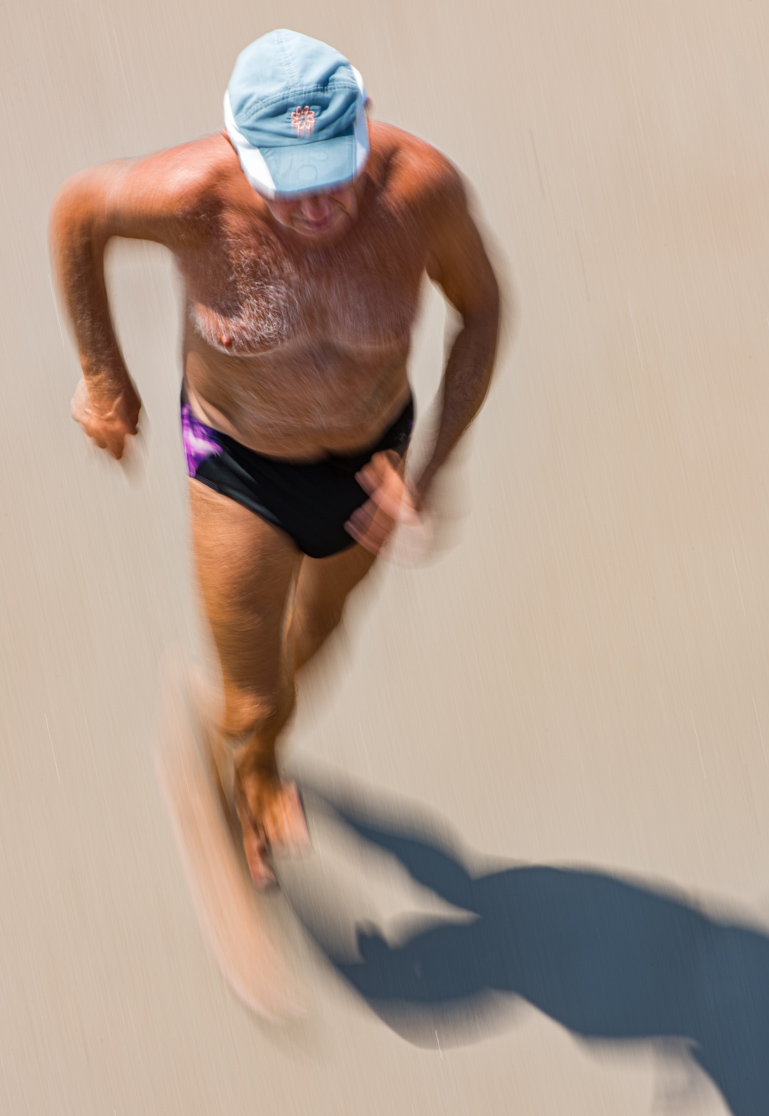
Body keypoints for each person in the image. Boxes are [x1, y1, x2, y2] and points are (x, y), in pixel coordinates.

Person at [50, 29, 500, 890]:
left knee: (322, 633)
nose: (317, 210)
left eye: (334, 172)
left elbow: (483, 312)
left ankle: (250, 729)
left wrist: (429, 466)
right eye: (290, 187)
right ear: (239, 150)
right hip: (239, 465)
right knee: (255, 694)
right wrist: (102, 375)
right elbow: (79, 212)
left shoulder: (422, 193)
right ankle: (253, 774)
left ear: (363, 125)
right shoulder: (191, 195)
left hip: (375, 458)